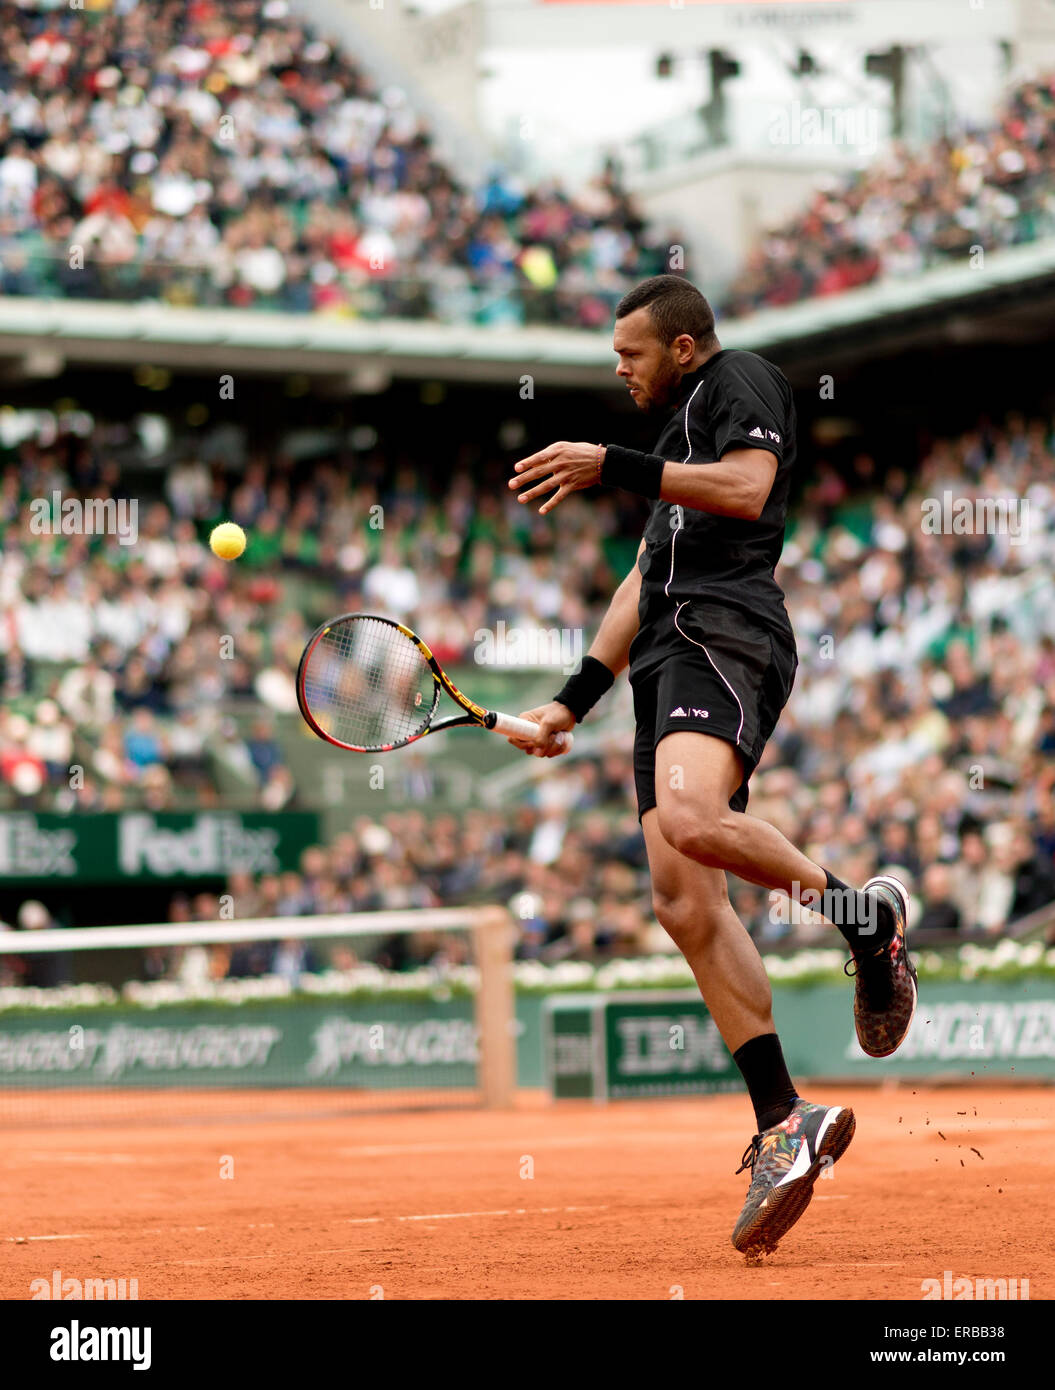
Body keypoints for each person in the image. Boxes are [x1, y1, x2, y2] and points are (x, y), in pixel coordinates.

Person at [506, 274, 918, 1256]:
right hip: (659, 654)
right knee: (682, 902)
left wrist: (612, 462)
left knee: (692, 818)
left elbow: (745, 487)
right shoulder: (671, 449)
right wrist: (570, 700)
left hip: (724, 631)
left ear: (683, 347)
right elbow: (640, 580)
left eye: (630, 353)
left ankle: (867, 924)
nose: (617, 367)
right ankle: (784, 1122)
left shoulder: (740, 379)